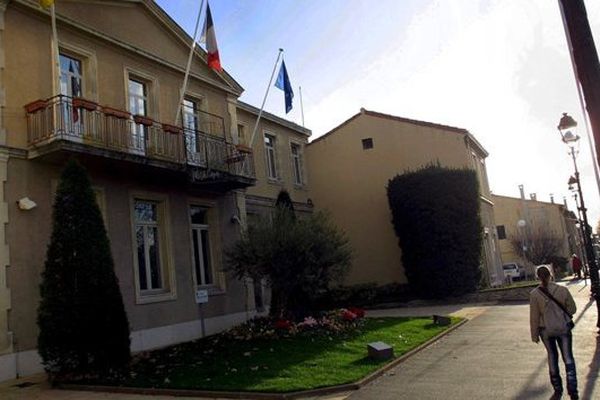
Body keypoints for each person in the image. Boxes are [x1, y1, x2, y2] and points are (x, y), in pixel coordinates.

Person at [530, 265, 578, 400]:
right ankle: (573, 389)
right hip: (563, 327)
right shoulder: (562, 290)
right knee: (568, 358)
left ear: (538, 277)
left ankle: (557, 389)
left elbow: (534, 317)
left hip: (546, 330)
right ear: (551, 275)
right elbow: (573, 309)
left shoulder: (534, 294)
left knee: (552, 357)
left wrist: (534, 335)